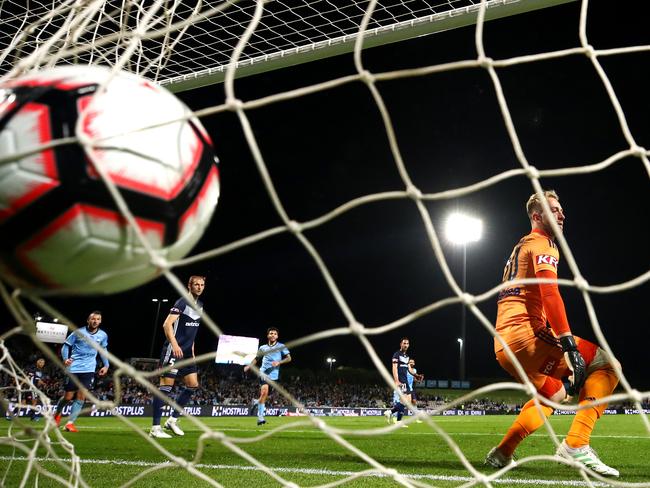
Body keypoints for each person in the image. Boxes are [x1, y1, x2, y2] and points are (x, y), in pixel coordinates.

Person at [485, 190, 621, 477]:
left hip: (503, 346)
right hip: (528, 337)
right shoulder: (543, 243)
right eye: (554, 209)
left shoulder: (520, 246)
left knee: (555, 394)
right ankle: (576, 444)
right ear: (537, 216)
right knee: (608, 365)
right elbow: (549, 292)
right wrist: (568, 344)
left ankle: (503, 452)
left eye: (561, 209)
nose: (562, 214)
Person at [149, 275, 206, 439]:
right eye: (196, 284)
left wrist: (193, 354)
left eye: (202, 285)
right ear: (189, 286)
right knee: (165, 389)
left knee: (193, 385)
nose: (199, 287)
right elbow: (167, 324)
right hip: (173, 350)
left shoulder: (200, 305)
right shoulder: (182, 301)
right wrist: (174, 345)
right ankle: (155, 427)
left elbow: (192, 333)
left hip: (187, 352)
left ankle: (172, 420)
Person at [53, 311, 109, 432]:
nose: (95, 321)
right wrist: (65, 359)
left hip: (89, 369)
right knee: (68, 397)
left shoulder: (103, 335)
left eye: (98, 319)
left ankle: (69, 423)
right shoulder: (78, 332)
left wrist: (106, 365)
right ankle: (57, 414)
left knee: (81, 396)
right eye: (93, 319)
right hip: (73, 368)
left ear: (100, 321)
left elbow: (103, 350)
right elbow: (66, 346)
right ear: (88, 320)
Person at [244, 327, 291, 426]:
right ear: (268, 335)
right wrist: (249, 366)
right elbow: (257, 358)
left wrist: (279, 362)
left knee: (265, 396)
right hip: (264, 372)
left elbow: (289, 358)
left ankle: (256, 402)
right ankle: (260, 418)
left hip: (274, 376)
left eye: (274, 333)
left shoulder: (281, 346)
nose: (273, 335)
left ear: (277, 336)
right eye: (271, 333)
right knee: (264, 392)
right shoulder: (262, 348)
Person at [387, 338, 419, 426]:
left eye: (407, 343)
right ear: (401, 344)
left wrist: (416, 375)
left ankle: (390, 412)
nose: (406, 345)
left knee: (406, 401)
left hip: (405, 380)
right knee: (405, 401)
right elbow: (394, 368)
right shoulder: (396, 355)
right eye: (404, 343)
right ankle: (398, 420)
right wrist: (396, 380)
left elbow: (409, 369)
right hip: (401, 380)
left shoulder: (407, 356)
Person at [407, 359, 424, 423]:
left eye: (413, 362)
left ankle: (416, 418)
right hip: (404, 388)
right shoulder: (406, 369)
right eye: (410, 362)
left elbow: (414, 379)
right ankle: (391, 412)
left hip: (411, 388)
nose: (412, 363)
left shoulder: (414, 370)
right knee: (402, 403)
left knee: (414, 402)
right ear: (408, 363)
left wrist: (418, 381)